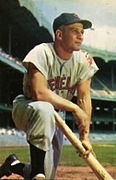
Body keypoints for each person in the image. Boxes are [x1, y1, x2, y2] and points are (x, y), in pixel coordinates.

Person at [0, 13, 98, 180]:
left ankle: (13, 165)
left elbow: (83, 98)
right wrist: (74, 107)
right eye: (75, 30)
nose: (80, 35)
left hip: (57, 117)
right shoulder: (41, 52)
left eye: (82, 31)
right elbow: (40, 93)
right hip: (29, 108)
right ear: (59, 34)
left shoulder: (83, 60)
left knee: (48, 175)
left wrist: (85, 137)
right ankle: (39, 171)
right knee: (44, 108)